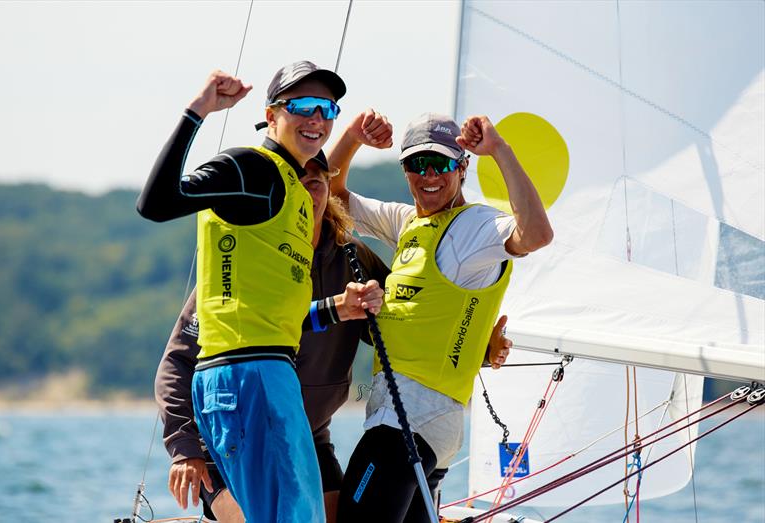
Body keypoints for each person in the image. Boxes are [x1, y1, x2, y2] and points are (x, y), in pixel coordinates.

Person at [137, 61, 352, 521]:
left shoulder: (295, 189)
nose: (316, 119)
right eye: (301, 107)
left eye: (327, 109)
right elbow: (155, 202)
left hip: (266, 374)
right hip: (249, 376)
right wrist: (199, 111)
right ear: (272, 115)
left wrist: (337, 310)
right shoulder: (254, 168)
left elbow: (280, 308)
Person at [328, 110, 553, 521]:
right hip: (419, 423)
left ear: (463, 167)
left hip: (411, 420)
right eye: (417, 163)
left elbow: (537, 234)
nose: (429, 174)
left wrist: (499, 149)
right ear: (405, 170)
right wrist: (351, 137)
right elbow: (327, 195)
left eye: (442, 164)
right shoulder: (408, 222)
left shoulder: (476, 228)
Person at [155, 154, 389, 522]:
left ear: (330, 188)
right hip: (229, 440)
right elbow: (176, 362)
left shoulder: (352, 258)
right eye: (299, 179)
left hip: (308, 436)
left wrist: (481, 344)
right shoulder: (250, 253)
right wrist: (184, 448)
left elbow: (401, 325)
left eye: (318, 179)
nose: (309, 188)